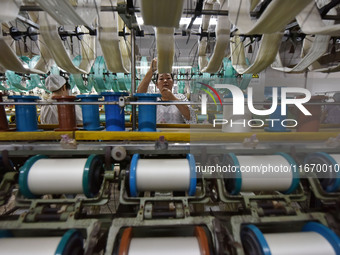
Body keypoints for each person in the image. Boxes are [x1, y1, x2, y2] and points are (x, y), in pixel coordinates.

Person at [137, 58, 196, 124]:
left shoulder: (181, 97)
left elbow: (190, 116)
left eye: (168, 78)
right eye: (161, 79)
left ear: (173, 82)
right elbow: (140, 94)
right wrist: (151, 70)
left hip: (177, 133)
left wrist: (172, 98)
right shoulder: (154, 98)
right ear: (156, 84)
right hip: (157, 133)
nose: (165, 81)